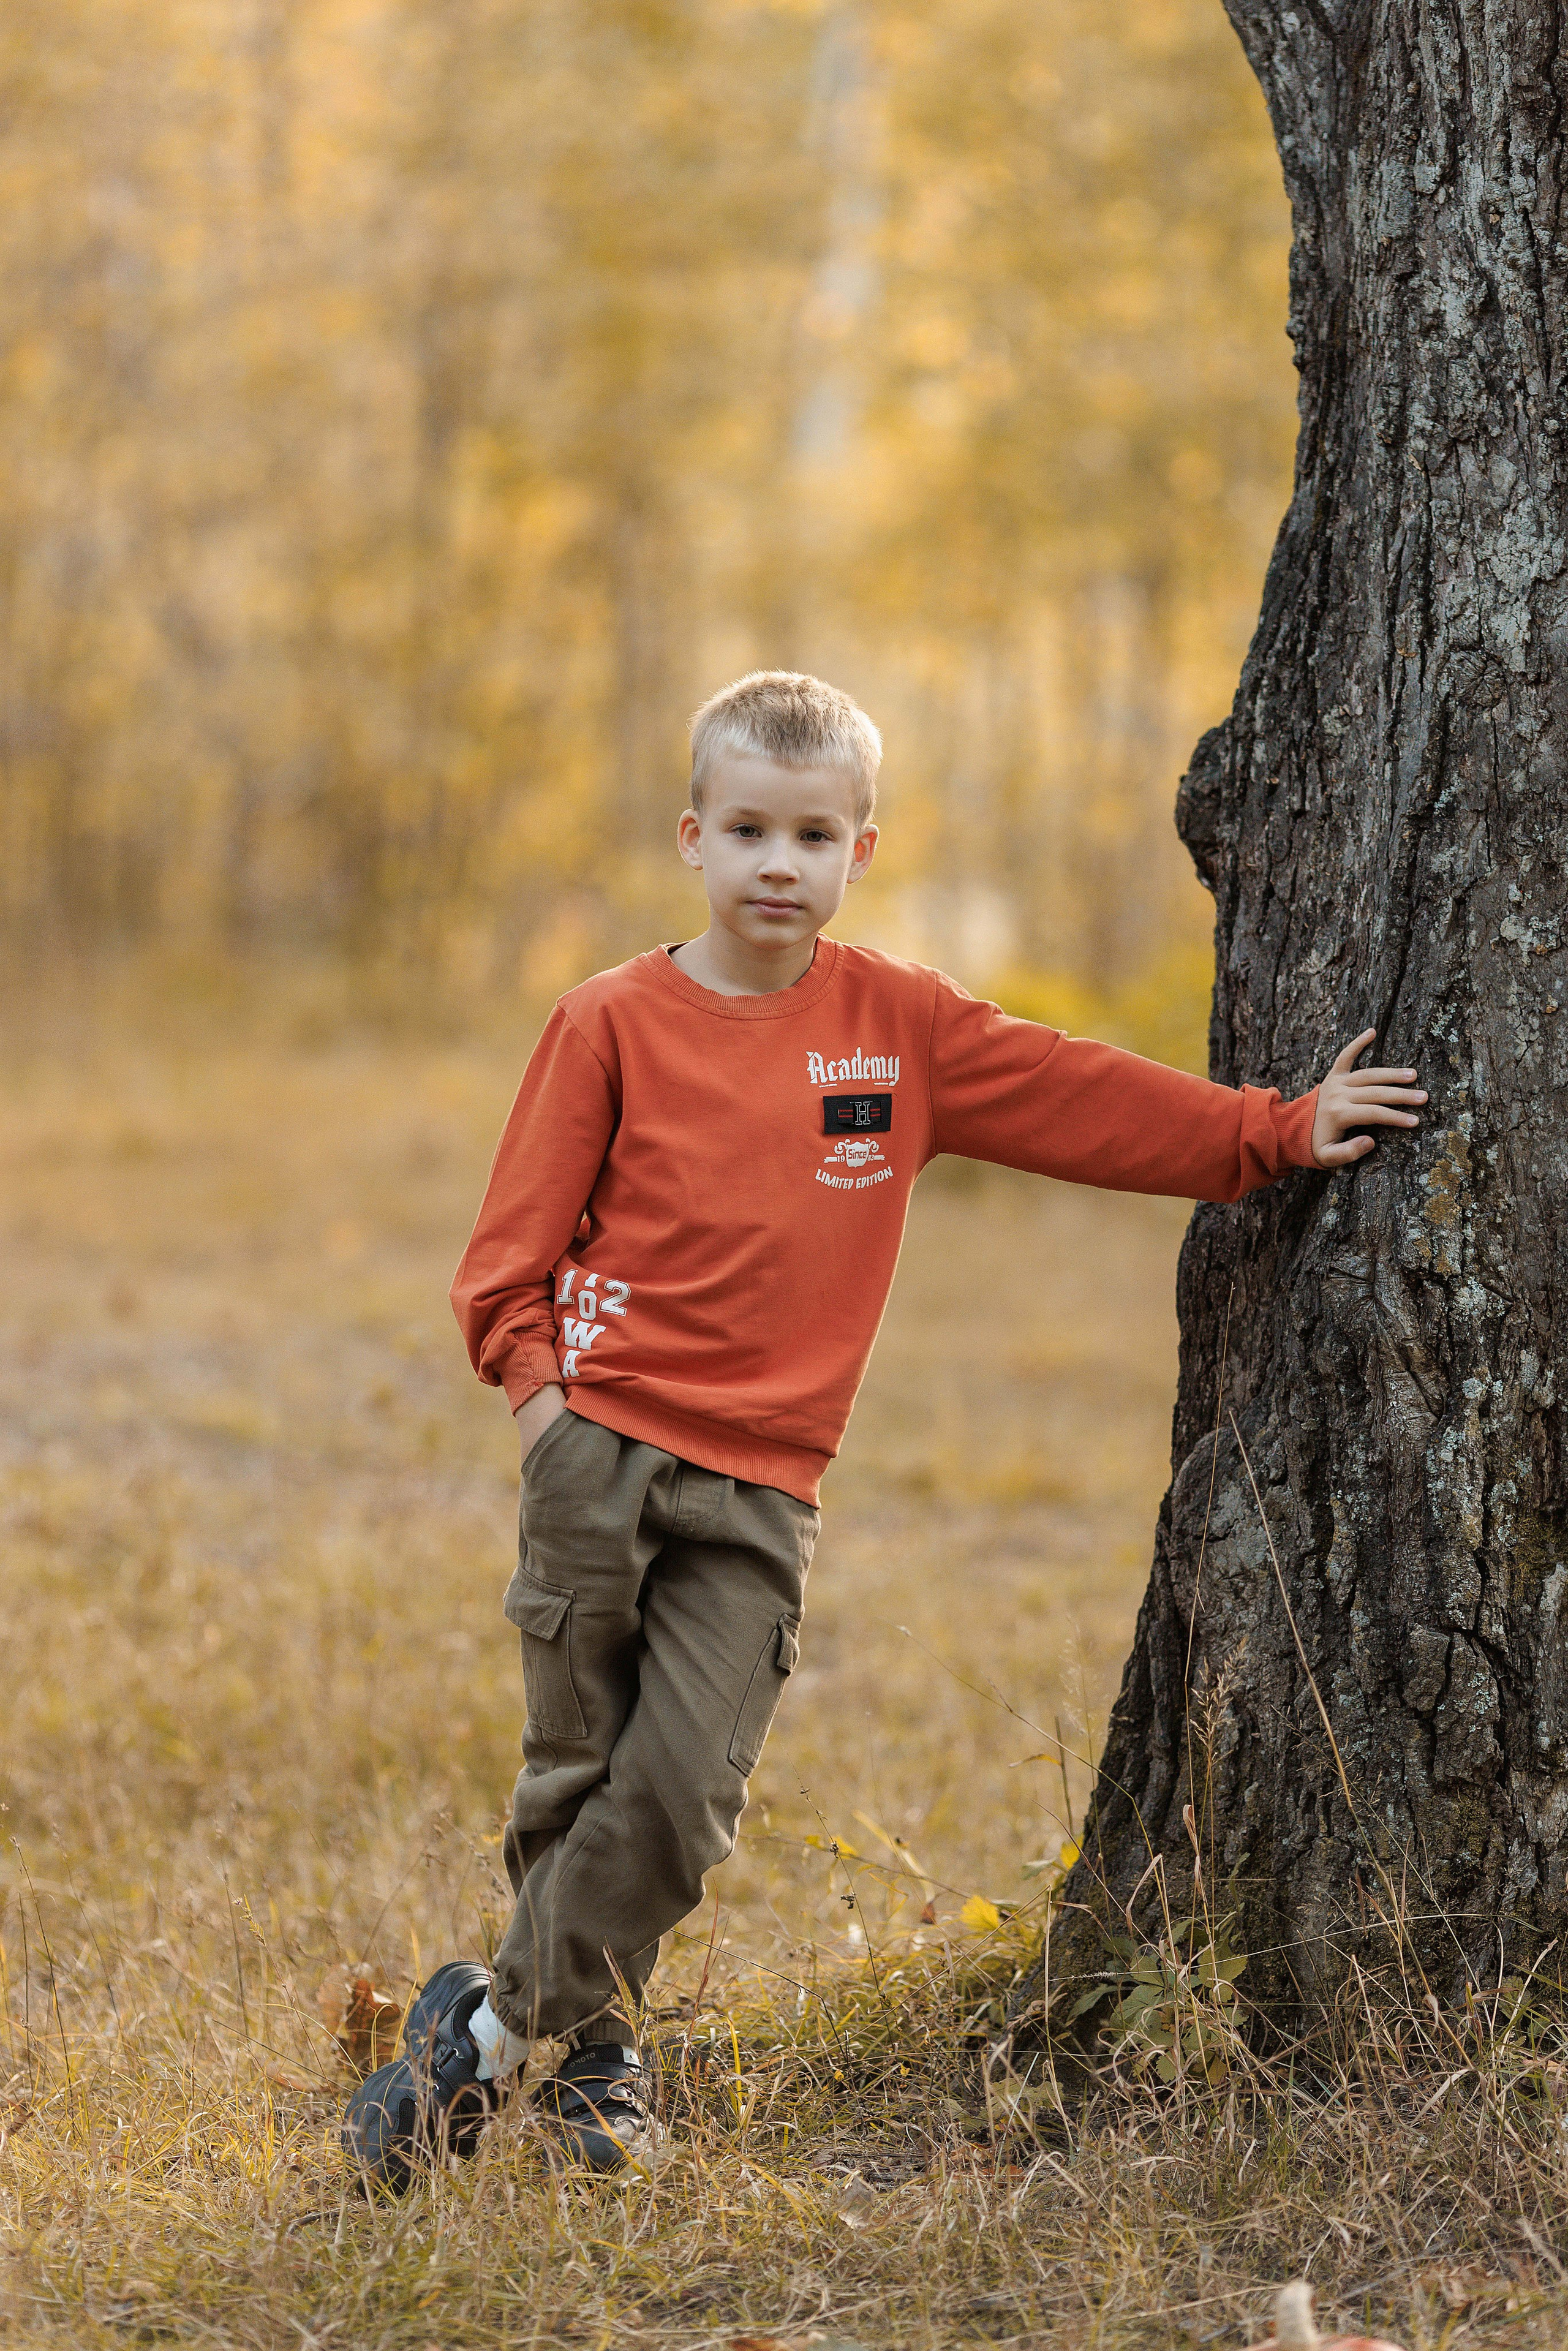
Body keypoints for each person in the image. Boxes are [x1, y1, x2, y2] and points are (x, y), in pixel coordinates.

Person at [344, 670, 1425, 2183]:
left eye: (808, 833)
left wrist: (1268, 1131)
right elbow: (505, 1250)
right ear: (692, 837)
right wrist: (544, 1408)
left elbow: (1078, 1093)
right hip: (596, 1452)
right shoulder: (606, 1021)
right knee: (579, 1764)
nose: (773, 862)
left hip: (761, 1480)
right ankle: (595, 2062)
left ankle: (480, 2037)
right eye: (744, 829)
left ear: (860, 848)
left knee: (682, 1794)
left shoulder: (895, 1026)